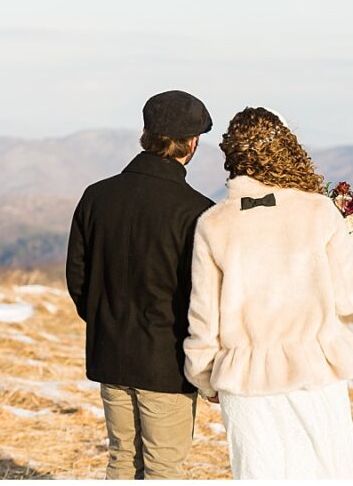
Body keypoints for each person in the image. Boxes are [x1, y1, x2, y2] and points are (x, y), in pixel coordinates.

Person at [184, 108, 353, 479]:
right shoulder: (321, 212)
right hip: (315, 368)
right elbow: (349, 298)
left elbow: (204, 318)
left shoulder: (213, 224)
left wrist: (203, 377)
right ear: (286, 148)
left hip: (245, 378)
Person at [66, 91, 216, 479]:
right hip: (166, 364)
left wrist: (107, 321)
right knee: (163, 469)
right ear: (192, 143)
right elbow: (203, 299)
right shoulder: (197, 212)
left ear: (146, 133)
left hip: (110, 354)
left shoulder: (96, 197)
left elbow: (78, 279)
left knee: (121, 460)